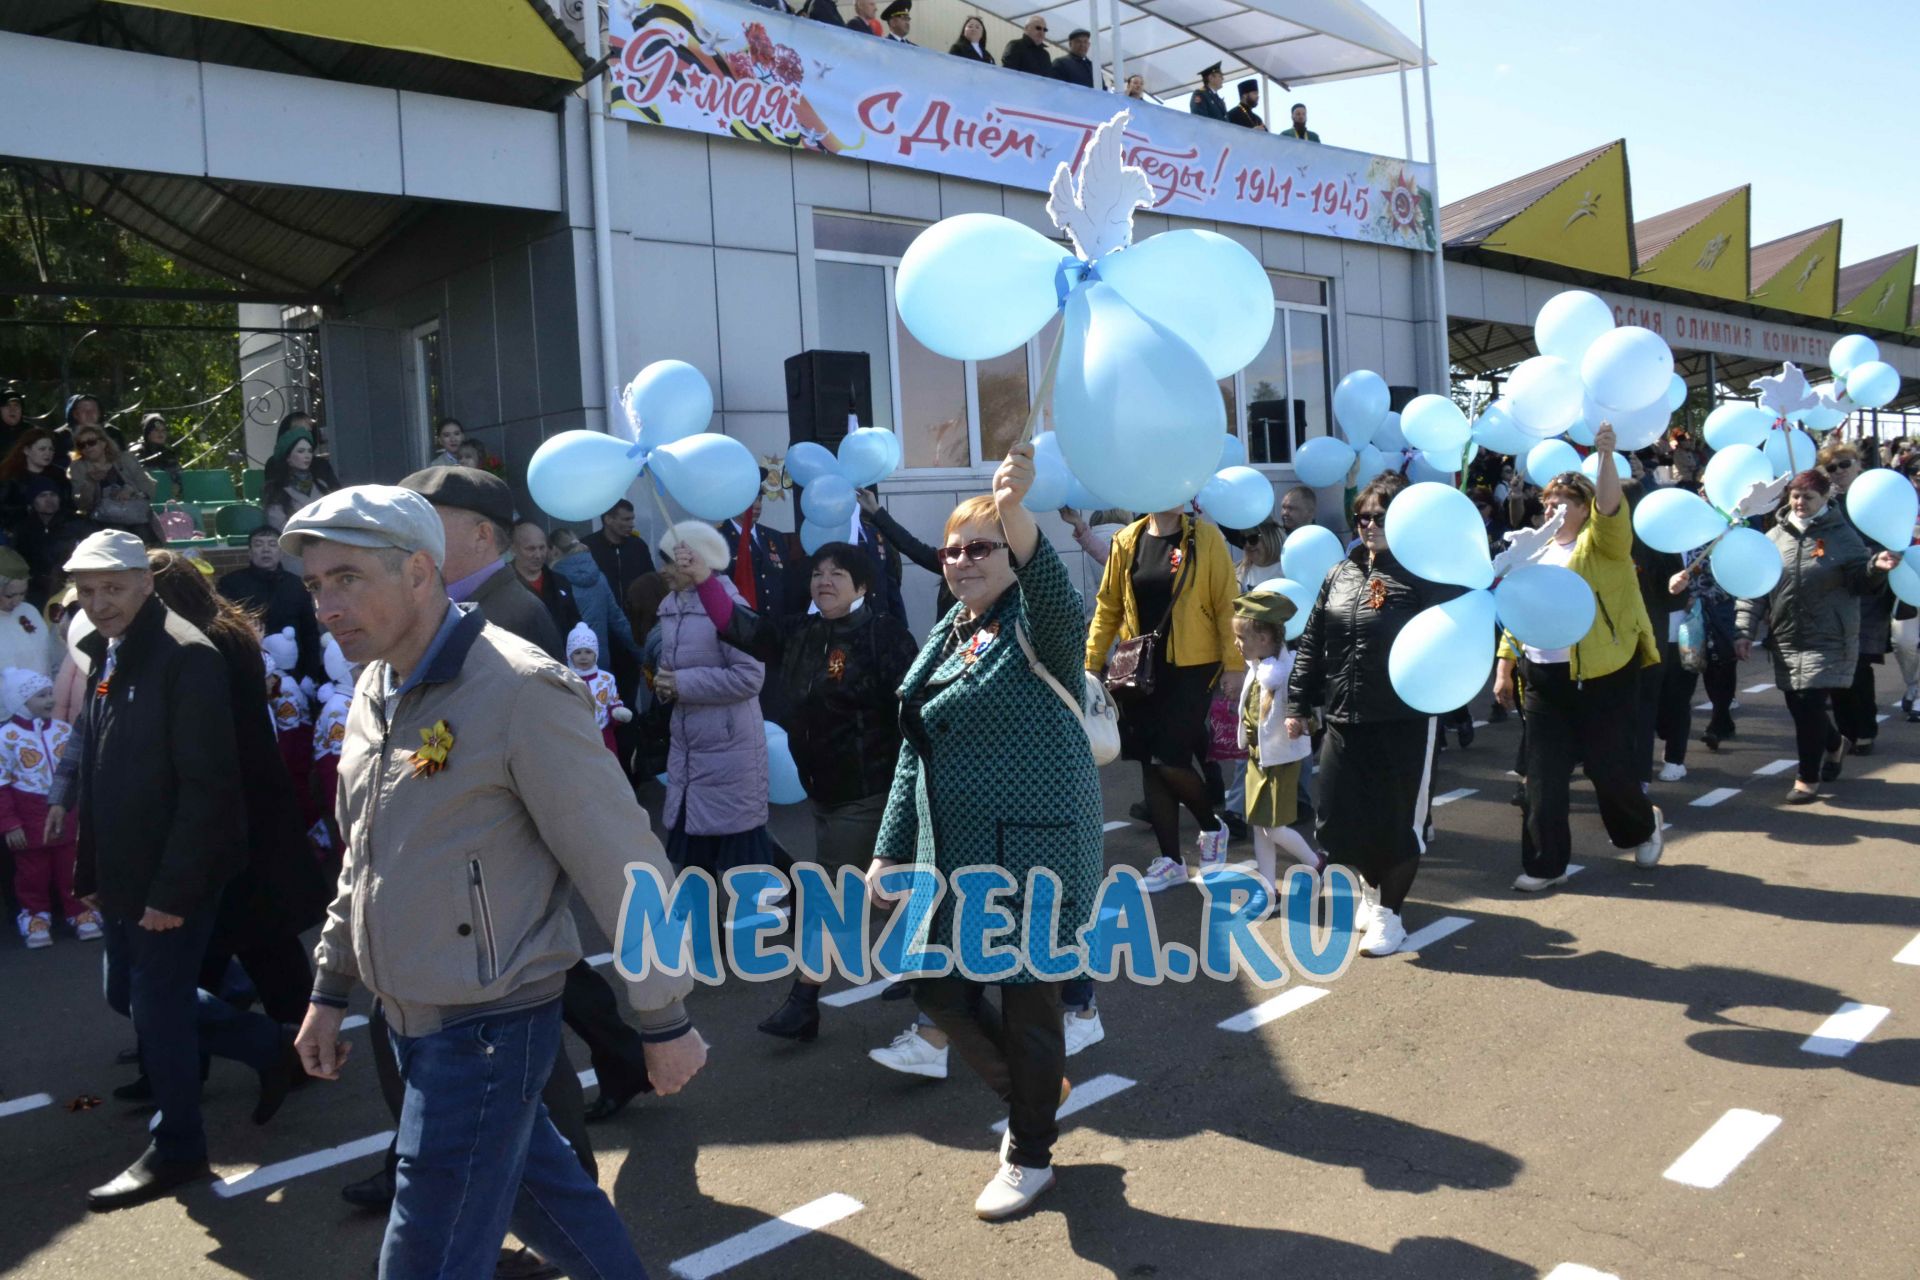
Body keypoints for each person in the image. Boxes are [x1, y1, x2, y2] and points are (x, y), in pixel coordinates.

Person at [282, 486, 706, 1278]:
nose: (326, 606)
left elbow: (623, 858)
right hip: (412, 1016)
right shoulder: (375, 685)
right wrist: (331, 986)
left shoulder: (517, 688)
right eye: (314, 586)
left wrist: (664, 1014)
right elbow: (364, 855)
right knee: (548, 1199)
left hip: (486, 1025)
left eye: (345, 578)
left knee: (427, 1254)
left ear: (418, 571)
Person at [871, 443, 1102, 1220]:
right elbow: (915, 749)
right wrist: (889, 848)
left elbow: (1047, 581)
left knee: (1029, 1002)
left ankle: (1029, 1152)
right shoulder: (948, 633)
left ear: (1011, 554)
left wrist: (1014, 507)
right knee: (937, 987)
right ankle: (1034, 1093)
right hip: (950, 858)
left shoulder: (1045, 624)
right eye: (952, 548)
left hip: (1037, 854)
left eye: (981, 546)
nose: (962, 560)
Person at [66, 530, 294, 1211]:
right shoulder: (112, 647)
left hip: (173, 877)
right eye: (87, 590)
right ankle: (266, 1044)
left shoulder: (187, 657)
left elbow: (209, 788)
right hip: (127, 873)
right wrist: (92, 871)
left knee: (158, 1009)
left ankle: (179, 1149)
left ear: (145, 582)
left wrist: (173, 892)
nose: (99, 602)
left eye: (112, 587)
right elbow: (104, 771)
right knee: (132, 997)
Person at [707, 540, 919, 1041]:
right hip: (822, 793)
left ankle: (804, 1001)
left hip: (870, 793)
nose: (824, 580)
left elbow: (914, 712)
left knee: (830, 897)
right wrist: (702, 581)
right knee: (890, 887)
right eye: (817, 572)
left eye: (838, 574)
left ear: (862, 586)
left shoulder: (884, 637)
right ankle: (925, 963)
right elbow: (741, 627)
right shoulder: (802, 632)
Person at [147, 550, 329, 1030]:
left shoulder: (201, 645)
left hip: (237, 804)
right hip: (253, 798)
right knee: (248, 937)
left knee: (252, 937)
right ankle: (191, 1040)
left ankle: (284, 1042)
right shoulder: (225, 633)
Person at [1492, 429, 1666, 890]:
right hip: (1544, 679)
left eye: (1566, 501)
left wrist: (1606, 455)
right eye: (1549, 502)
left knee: (1607, 771)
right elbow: (1516, 613)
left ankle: (1642, 827)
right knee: (1543, 780)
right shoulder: (1533, 551)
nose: (1554, 509)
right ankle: (1545, 866)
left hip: (1603, 676)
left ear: (1585, 508)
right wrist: (1505, 665)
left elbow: (1612, 508)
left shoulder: (1602, 544)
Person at [1287, 474, 1449, 956]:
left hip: (1405, 720)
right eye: (1364, 517)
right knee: (1336, 822)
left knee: (1395, 824)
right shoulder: (1340, 574)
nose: (1371, 525)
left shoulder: (1425, 576)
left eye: (1382, 516)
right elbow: (1312, 642)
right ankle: (1370, 890)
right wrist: (1297, 703)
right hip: (1342, 717)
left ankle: (1389, 914)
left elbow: (1448, 643)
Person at [1087, 504, 1242, 891]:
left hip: (1194, 665)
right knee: (1149, 763)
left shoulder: (1205, 538)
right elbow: (1107, 606)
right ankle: (1171, 859)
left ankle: (1211, 824)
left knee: (1169, 757)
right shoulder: (1128, 538)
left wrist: (1235, 664)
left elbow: (1227, 603)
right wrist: (1091, 662)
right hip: (1140, 666)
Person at [1733, 469, 1897, 803]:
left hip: (1829, 635)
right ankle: (1835, 743)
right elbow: (1755, 588)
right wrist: (1743, 630)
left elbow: (1859, 583)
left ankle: (1807, 777)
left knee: (1809, 701)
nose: (1799, 502)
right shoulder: (1774, 536)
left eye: (1808, 497)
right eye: (1794, 495)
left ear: (1825, 499)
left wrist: (1875, 568)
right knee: (1799, 706)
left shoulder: (1842, 535)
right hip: (1787, 636)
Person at [652, 522, 772, 876]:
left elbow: (750, 676)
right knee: (694, 873)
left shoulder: (728, 604)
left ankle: (749, 930)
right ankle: (703, 933)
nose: (663, 572)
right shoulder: (670, 605)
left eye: (671, 562)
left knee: (741, 874)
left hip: (729, 758)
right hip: (690, 755)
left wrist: (682, 684)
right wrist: (665, 685)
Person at [400, 465, 562, 661]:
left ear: (482, 536)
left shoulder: (520, 615)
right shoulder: (434, 602)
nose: (414, 538)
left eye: (430, 525)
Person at [1, 667, 93, 948]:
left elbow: (80, 770)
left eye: (50, 693)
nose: (50, 700)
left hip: (67, 814)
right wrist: (10, 823)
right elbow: (1, 784)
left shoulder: (64, 731)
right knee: (33, 873)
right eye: (41, 695)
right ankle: (34, 916)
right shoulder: (7, 737)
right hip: (29, 818)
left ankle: (79, 911)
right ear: (20, 701)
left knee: (71, 867)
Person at [1231, 591, 1318, 888]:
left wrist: (1301, 720)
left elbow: (1309, 708)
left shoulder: (1287, 670)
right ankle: (1268, 889)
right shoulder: (1258, 668)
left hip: (1281, 758)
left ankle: (1316, 862)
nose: (1236, 644)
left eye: (1241, 638)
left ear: (1265, 638)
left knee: (1274, 827)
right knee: (1259, 826)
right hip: (1258, 758)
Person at [1820, 439, 1891, 757]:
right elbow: (1817, 544)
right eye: (1832, 467)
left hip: (1869, 588)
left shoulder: (1876, 498)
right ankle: (1846, 730)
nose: (1838, 472)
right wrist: (1819, 556)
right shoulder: (1827, 506)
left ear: (1859, 465)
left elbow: (1892, 536)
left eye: (1845, 464)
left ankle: (1865, 729)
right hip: (1836, 589)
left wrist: (1872, 555)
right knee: (1837, 664)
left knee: (1859, 662)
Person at [220, 524, 326, 684]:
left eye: (272, 544)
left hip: (294, 672)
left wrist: (310, 675)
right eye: (258, 544)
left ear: (280, 551)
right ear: (249, 552)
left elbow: (309, 631)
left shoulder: (297, 584)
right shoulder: (231, 584)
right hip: (251, 671)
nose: (266, 550)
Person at [549, 528, 643, 676]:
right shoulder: (599, 577)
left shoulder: (553, 580)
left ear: (553, 550)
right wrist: (644, 656)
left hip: (565, 665)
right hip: (597, 662)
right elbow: (619, 621)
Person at [69, 424, 157, 542]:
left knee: (143, 531)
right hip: (103, 519)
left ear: (103, 443)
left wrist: (131, 491)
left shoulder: (126, 459)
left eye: (91, 442)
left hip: (134, 514)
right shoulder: (78, 467)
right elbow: (82, 504)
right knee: (119, 533)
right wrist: (90, 483)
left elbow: (149, 488)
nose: (87, 447)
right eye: (81, 445)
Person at [565, 622, 632, 755]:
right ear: (569, 655)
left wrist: (617, 712)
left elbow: (612, 700)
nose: (583, 657)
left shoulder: (606, 679)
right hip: (578, 734)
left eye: (588, 652)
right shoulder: (566, 679)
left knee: (608, 764)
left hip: (604, 733)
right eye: (577, 652)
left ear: (595, 654)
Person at [509, 520, 582, 640]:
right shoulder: (503, 585)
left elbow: (574, 622)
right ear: (513, 549)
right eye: (530, 549)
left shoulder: (559, 582)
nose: (538, 555)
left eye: (542, 547)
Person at [0, 428, 77, 535]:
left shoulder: (58, 474)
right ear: (26, 450)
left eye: (51, 449)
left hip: (58, 529)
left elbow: (68, 504)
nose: (48, 453)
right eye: (42, 449)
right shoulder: (10, 476)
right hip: (19, 531)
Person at [261, 421, 334, 532]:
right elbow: (280, 527)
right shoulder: (275, 490)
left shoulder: (322, 485)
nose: (307, 456)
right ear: (288, 458)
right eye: (300, 451)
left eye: (309, 451)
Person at [0, 550, 60, 678]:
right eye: (9, 596)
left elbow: (48, 654)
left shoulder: (29, 611)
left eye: (22, 594)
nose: (17, 601)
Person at [584, 498, 654, 605]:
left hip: (636, 615)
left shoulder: (638, 545)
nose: (632, 524)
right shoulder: (587, 547)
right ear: (608, 520)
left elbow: (650, 580)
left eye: (632, 519)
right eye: (626, 519)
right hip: (602, 615)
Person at [134, 414, 183, 487]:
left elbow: (179, 476)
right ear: (148, 433)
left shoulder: (169, 454)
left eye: (163, 430)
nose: (161, 433)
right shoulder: (138, 452)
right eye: (156, 430)